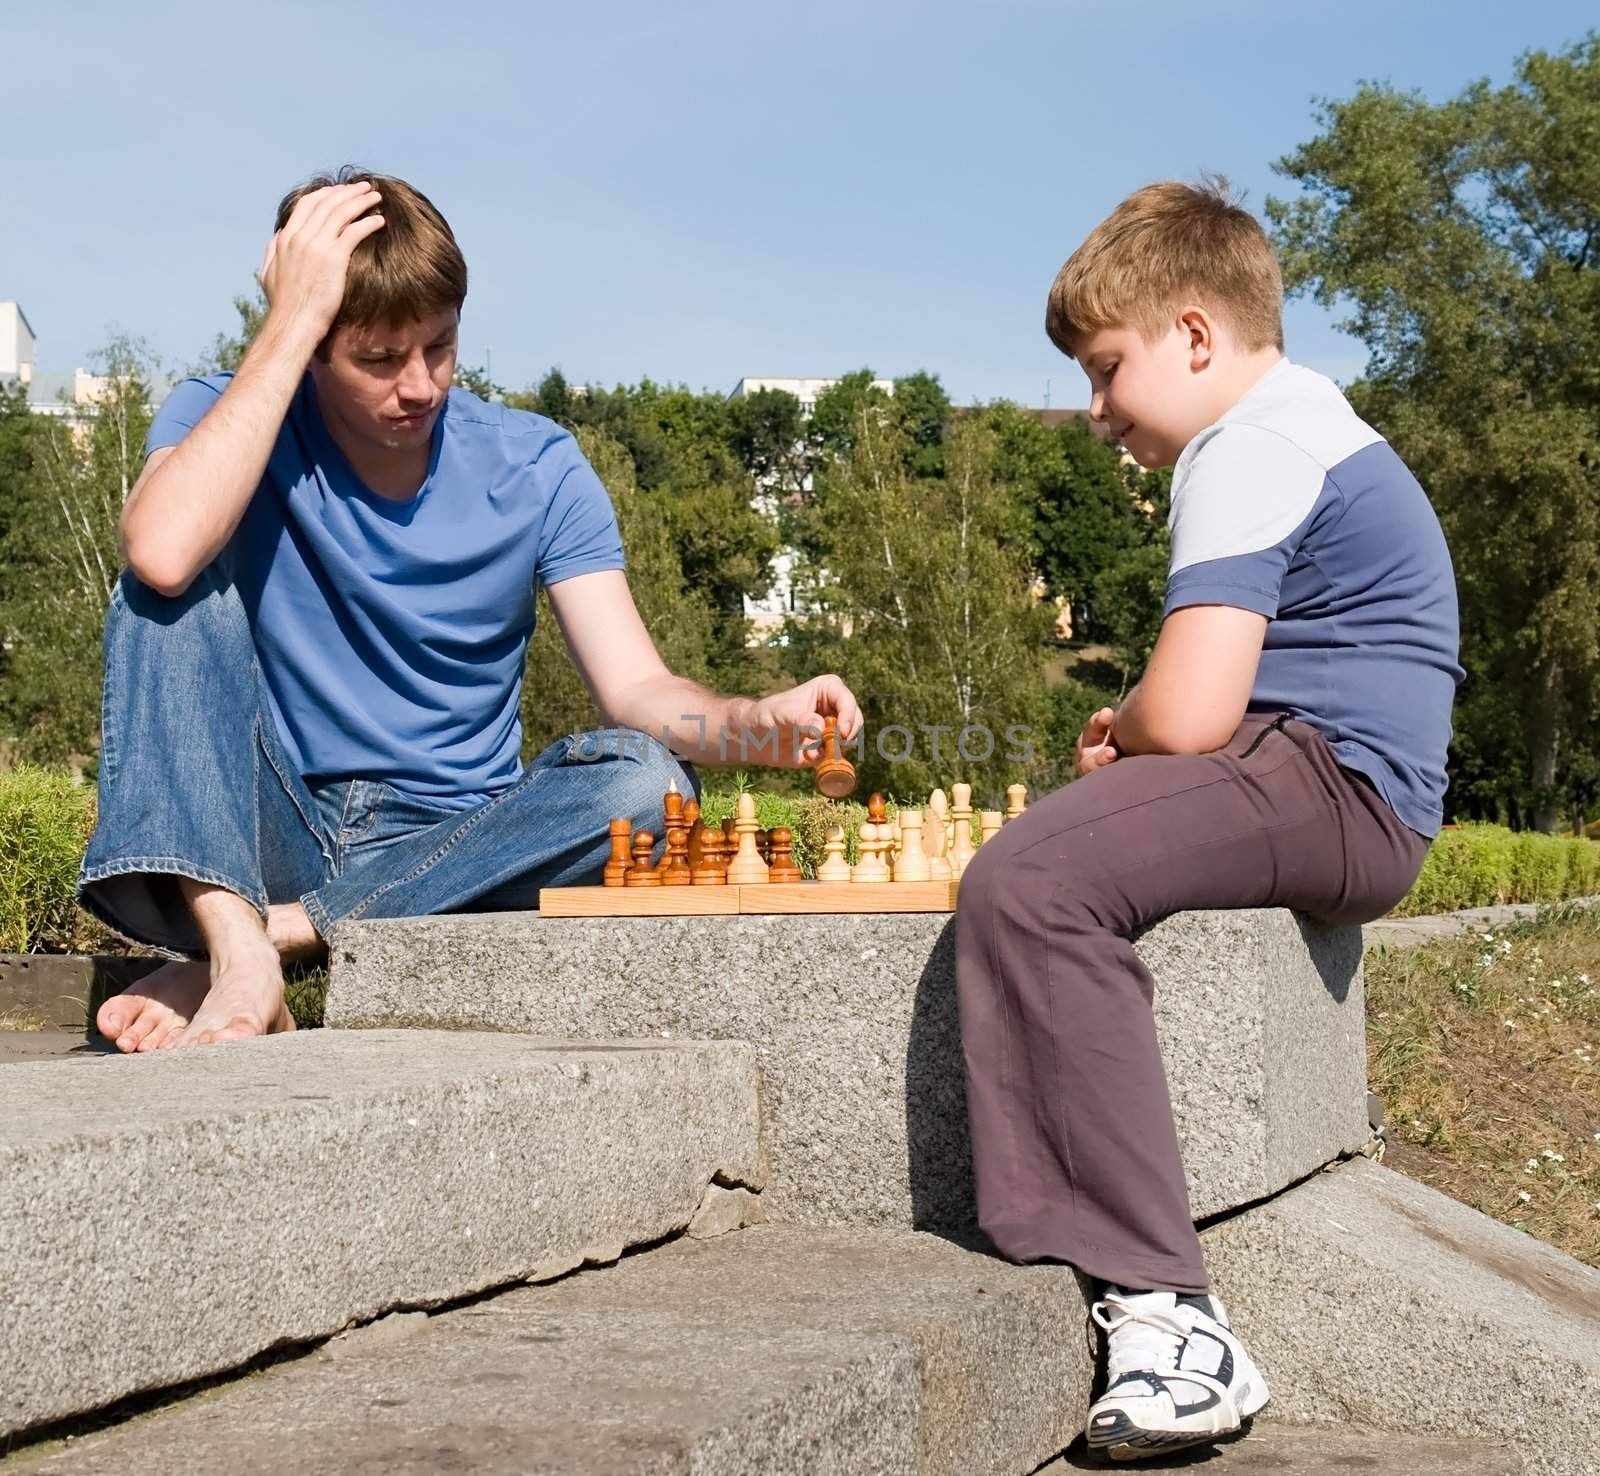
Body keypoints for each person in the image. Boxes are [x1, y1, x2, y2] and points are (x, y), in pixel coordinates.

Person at [81, 166, 860, 1054]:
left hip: (455, 844)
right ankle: (237, 942)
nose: (420, 386)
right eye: (378, 358)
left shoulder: (539, 466)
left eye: (441, 347)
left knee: (649, 783)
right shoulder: (229, 410)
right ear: (311, 344)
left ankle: (268, 942)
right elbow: (162, 548)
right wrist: (289, 324)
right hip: (267, 826)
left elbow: (636, 688)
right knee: (160, 590)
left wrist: (755, 721)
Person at [955, 178, 1462, 1461]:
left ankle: (1173, 1318)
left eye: (1105, 369)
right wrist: (1137, 741)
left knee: (1030, 879)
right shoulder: (1304, 424)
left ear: (1193, 334)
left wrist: (1124, 733)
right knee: (1063, 849)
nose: (1095, 411)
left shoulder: (1250, 443)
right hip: (1341, 778)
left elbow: (1185, 713)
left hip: (1333, 782)